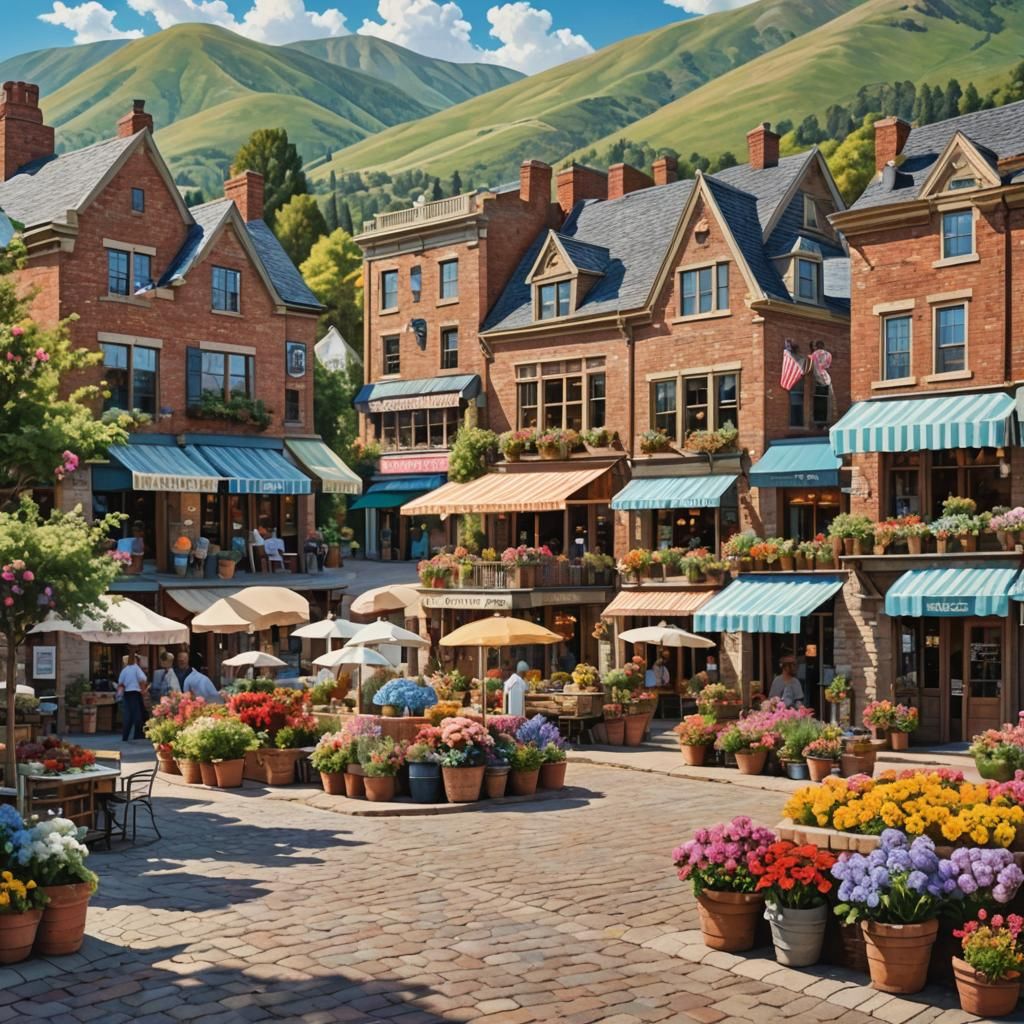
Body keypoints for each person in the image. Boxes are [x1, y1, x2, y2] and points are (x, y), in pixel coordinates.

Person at [117, 652, 148, 741]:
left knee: (128, 715)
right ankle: (138, 735)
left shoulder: (124, 670)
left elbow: (120, 682)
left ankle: (125, 736)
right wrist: (143, 690)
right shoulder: (135, 668)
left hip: (127, 693)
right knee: (138, 715)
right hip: (135, 693)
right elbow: (143, 678)